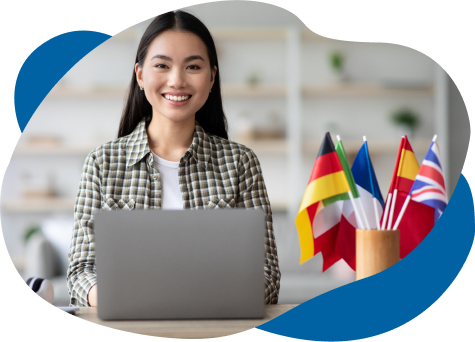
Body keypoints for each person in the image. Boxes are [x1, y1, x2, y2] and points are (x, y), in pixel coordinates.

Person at [66, 10, 281, 307]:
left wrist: (211, 300)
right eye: (162, 66)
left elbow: (267, 275)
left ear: (212, 77)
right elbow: (80, 272)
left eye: (193, 66)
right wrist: (120, 300)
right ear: (140, 75)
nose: (177, 80)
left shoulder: (241, 163)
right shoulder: (102, 164)